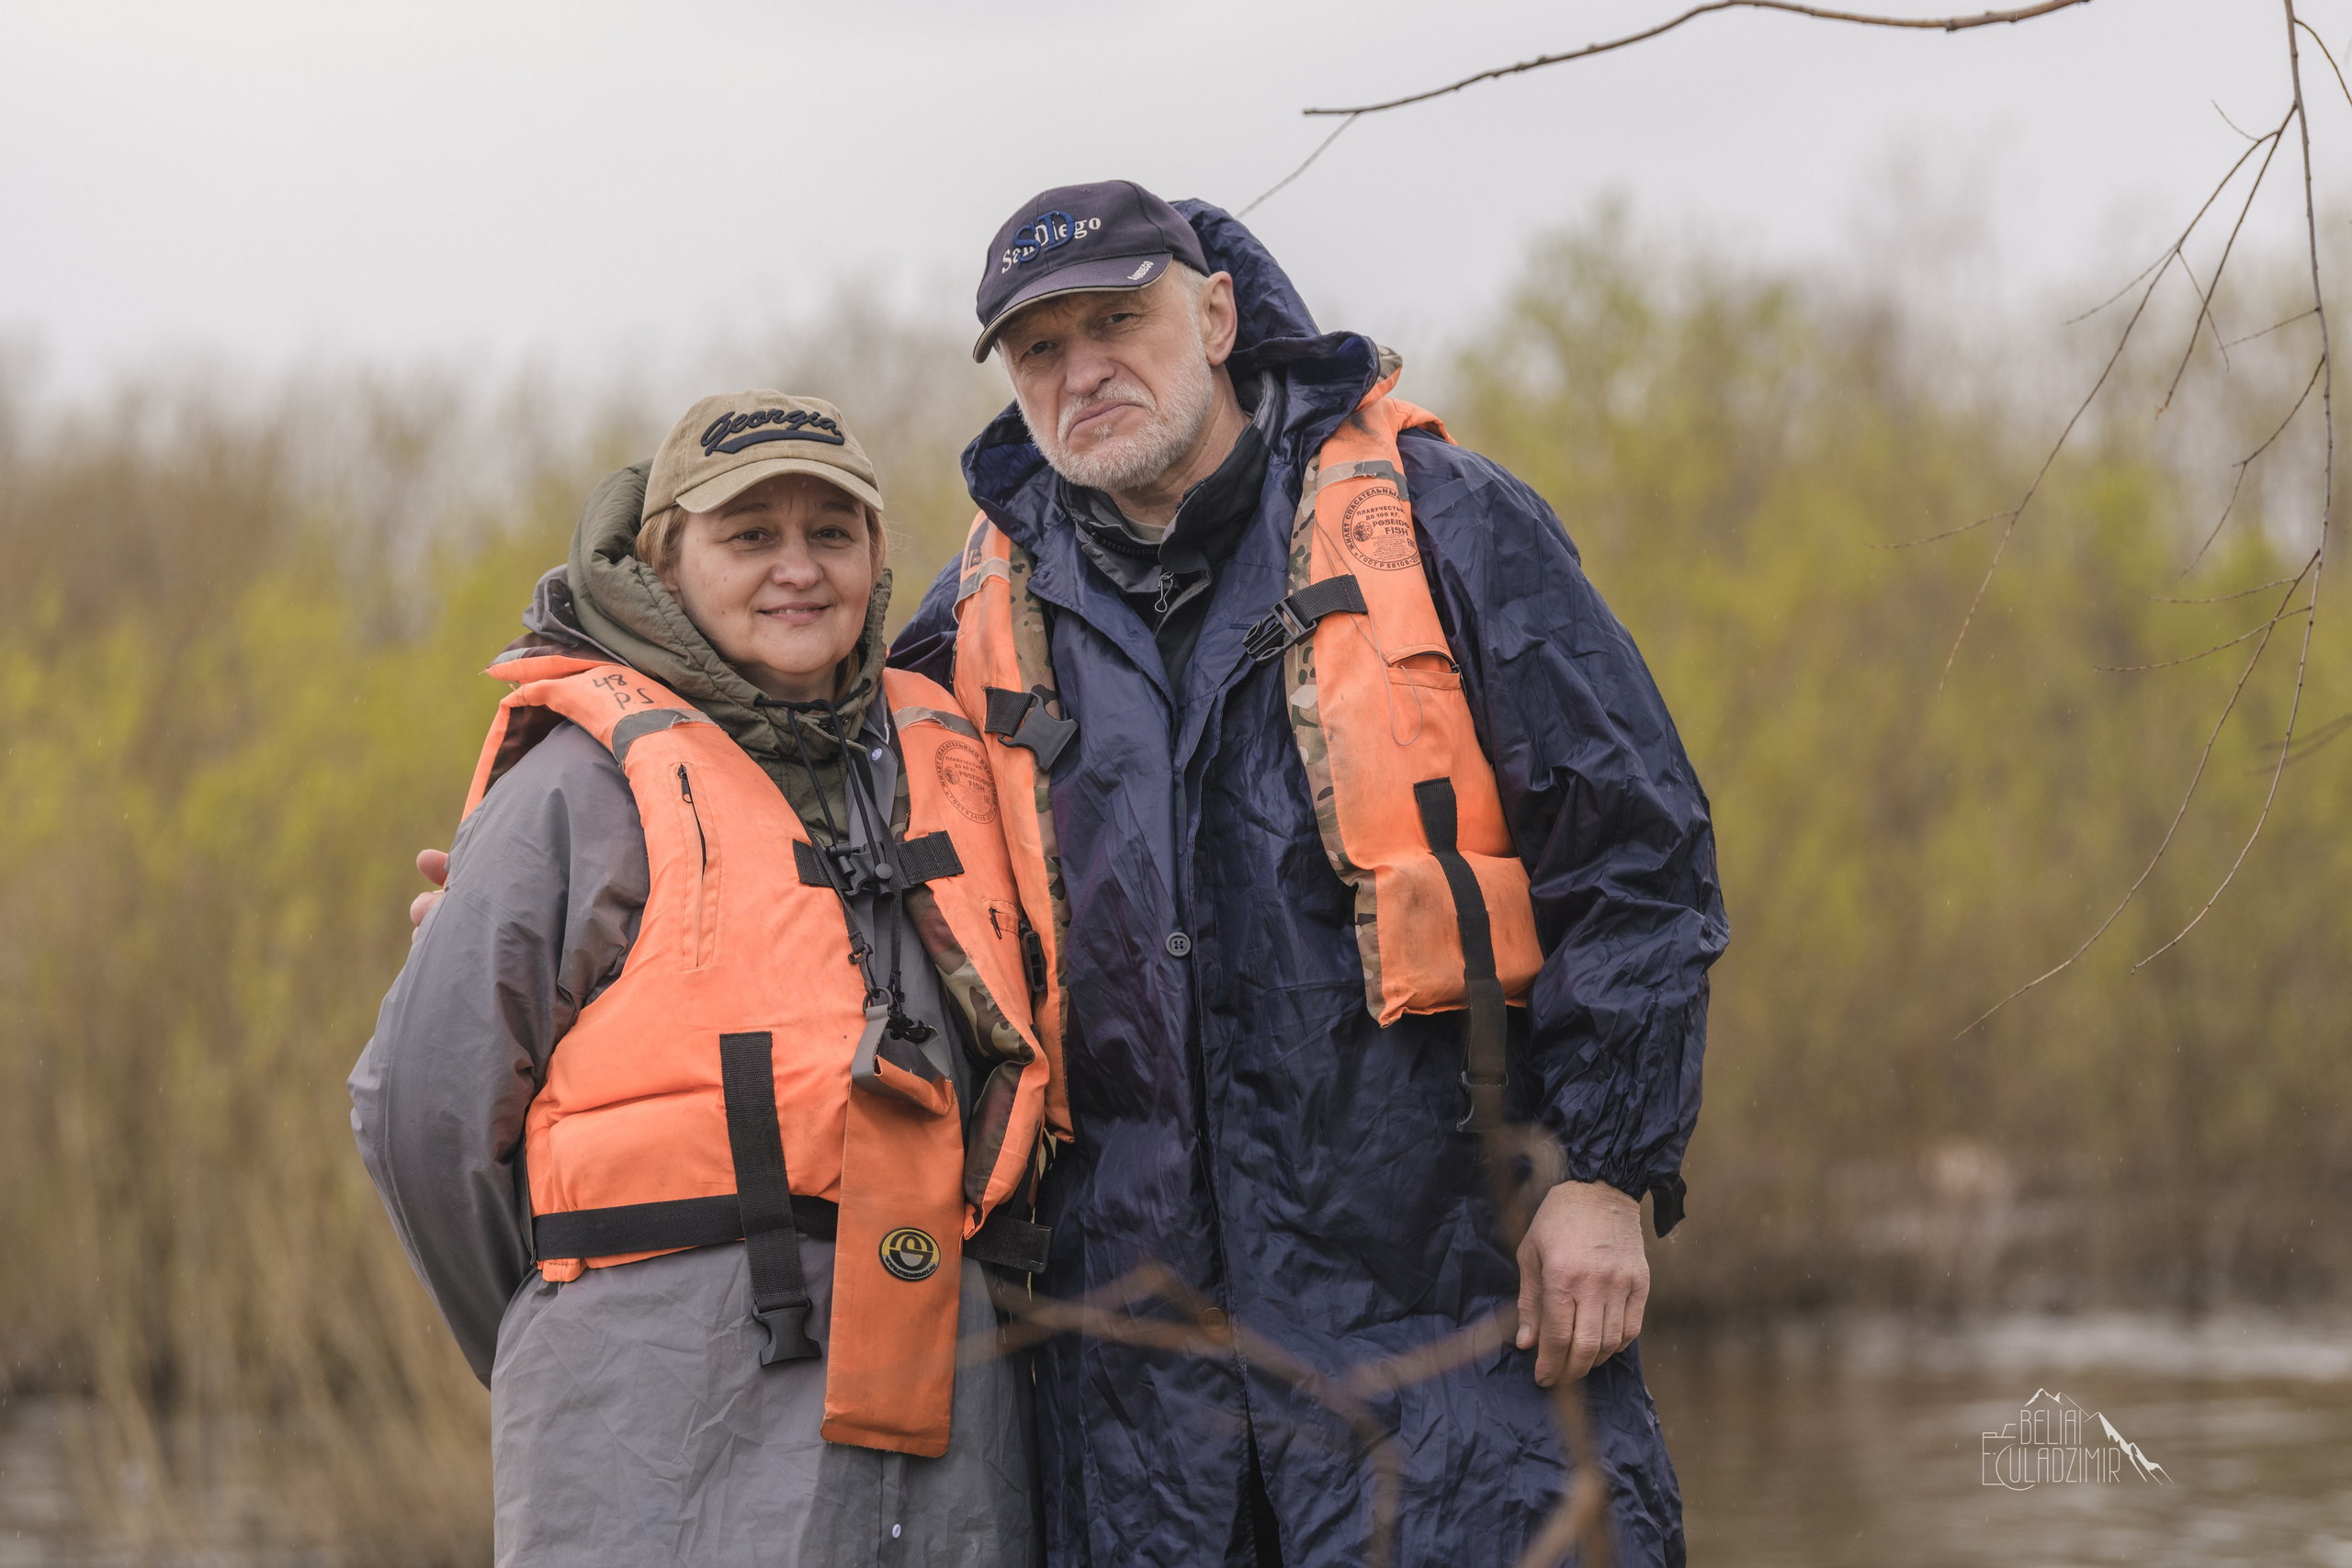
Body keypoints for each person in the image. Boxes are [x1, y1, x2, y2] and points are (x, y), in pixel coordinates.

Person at [884, 184, 1730, 1566]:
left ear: (1215, 315)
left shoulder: (1443, 518)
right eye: (1040, 349)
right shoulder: (965, 617)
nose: (1082, 368)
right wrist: (548, 886)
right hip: (1136, 1385)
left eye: (1118, 320)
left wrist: (1610, 1172)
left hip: (1453, 1303)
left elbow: (1635, 851)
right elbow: (806, 826)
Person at [353, 391, 1052, 1565]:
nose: (797, 569)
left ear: (878, 559)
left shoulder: (953, 760)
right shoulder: (577, 786)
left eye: (832, 534)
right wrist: (559, 1329)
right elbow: (421, 1115)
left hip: (940, 1416)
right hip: (652, 1422)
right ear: (665, 559)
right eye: (749, 535)